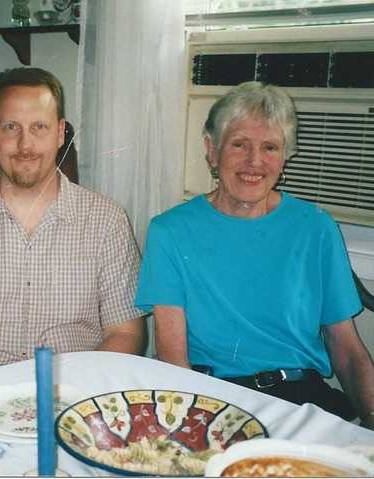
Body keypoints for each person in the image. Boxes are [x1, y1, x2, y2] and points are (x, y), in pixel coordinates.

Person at [135, 81, 374, 427]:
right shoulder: (170, 231)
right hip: (209, 399)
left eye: (270, 147)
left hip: (300, 400)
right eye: (239, 145)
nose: (254, 161)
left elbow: (348, 350)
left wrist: (370, 422)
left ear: (285, 156)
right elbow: (173, 357)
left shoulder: (316, 227)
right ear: (211, 150)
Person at [0, 67, 146, 378]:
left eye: (39, 127)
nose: (25, 145)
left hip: (76, 394)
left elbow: (125, 332)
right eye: (11, 127)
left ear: (60, 132)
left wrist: (70, 396)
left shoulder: (107, 221)